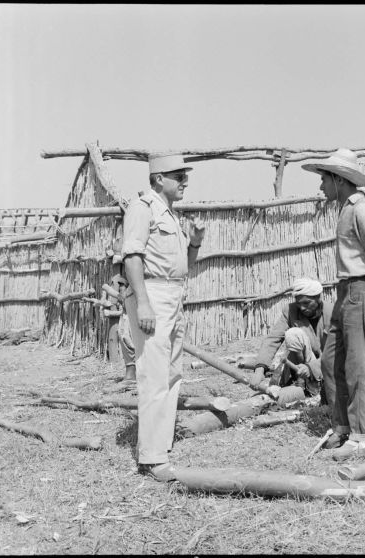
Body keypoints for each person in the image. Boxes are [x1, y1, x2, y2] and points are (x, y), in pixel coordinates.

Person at [301, 148, 365, 459]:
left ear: (338, 180)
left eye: (323, 180)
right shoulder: (345, 209)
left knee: (358, 365)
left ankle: (361, 433)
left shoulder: (362, 210)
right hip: (344, 292)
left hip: (361, 290)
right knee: (330, 361)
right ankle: (342, 425)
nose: (321, 187)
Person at [121, 152, 205, 482]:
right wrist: (143, 303)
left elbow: (185, 263)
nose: (185, 181)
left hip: (174, 294)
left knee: (172, 373)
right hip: (153, 294)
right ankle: (152, 458)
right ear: (158, 179)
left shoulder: (169, 213)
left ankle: (162, 444)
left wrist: (195, 242)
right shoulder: (142, 209)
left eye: (185, 176)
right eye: (178, 176)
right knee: (154, 375)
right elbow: (132, 257)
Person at [239, 278, 336, 407]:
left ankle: (316, 384)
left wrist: (312, 367)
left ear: (318, 298)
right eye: (298, 303)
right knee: (293, 334)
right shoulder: (290, 311)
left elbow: (336, 351)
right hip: (299, 364)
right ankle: (300, 382)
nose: (302, 307)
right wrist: (259, 369)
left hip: (326, 364)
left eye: (306, 303)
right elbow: (273, 339)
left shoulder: (332, 313)